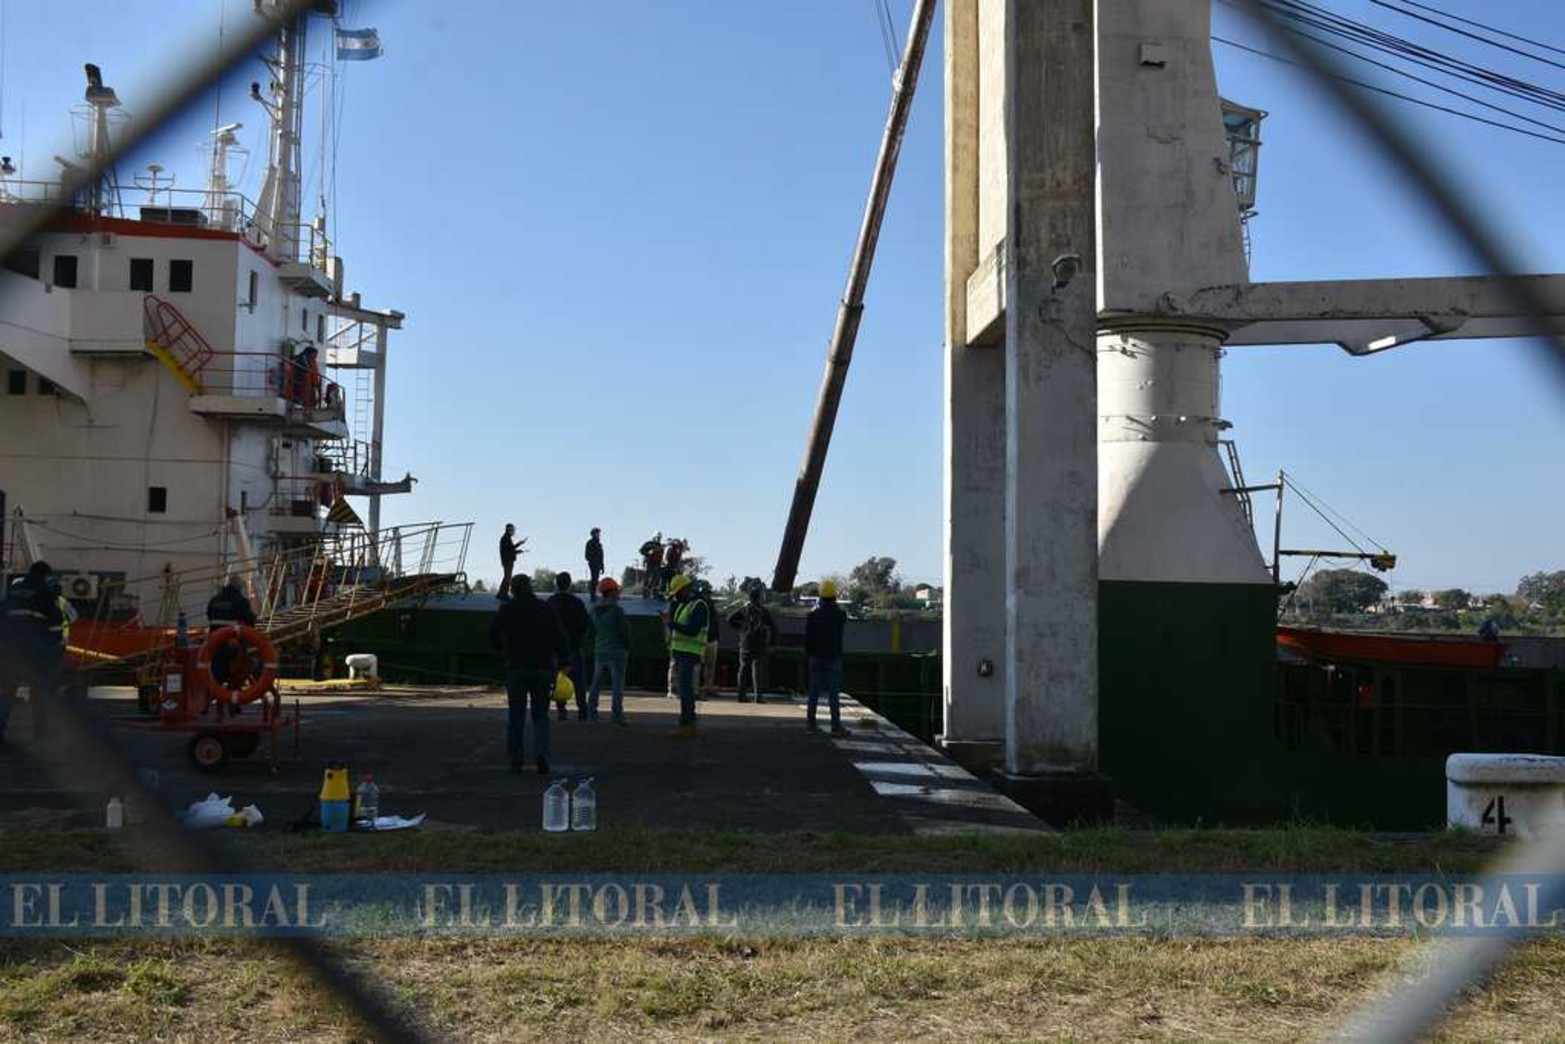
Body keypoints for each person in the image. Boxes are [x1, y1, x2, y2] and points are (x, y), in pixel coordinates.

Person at [489, 575, 570, 774]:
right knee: (541, 715)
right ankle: (541, 754)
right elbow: (560, 637)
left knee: (516, 715)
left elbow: (492, 631)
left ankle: (516, 760)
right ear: (530, 587)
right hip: (542, 667)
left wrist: (502, 648)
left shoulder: (507, 609)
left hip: (516, 666)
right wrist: (564, 661)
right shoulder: (546, 608)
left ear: (513, 589)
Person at [0, 562, 64, 745]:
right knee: (39, 694)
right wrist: (51, 648)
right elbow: (55, 626)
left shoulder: (14, 591)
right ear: (45, 575)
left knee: (7, 694)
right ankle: (41, 735)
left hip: (9, 654)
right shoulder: (45, 593)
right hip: (35, 654)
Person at [805, 578, 849, 736]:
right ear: (835, 595)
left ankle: (811, 725)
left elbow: (808, 639)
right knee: (833, 694)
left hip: (816, 657)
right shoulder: (841, 615)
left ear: (821, 595)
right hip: (834, 657)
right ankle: (836, 726)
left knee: (813, 692)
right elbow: (841, 617)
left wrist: (810, 654)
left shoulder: (813, 616)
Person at [585, 578, 633, 725]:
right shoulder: (617, 611)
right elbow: (624, 633)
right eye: (616, 590)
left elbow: (590, 633)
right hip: (617, 653)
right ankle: (617, 717)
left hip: (600, 652)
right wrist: (628, 647)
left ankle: (591, 716)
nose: (618, 593)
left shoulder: (594, 611)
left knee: (596, 685)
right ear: (611, 592)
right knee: (617, 686)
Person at [664, 573, 707, 732]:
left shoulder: (699, 606)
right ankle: (689, 719)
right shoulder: (683, 605)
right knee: (685, 688)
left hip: (690, 653)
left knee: (685, 688)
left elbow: (693, 630)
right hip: (682, 653)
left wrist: (671, 624)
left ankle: (686, 721)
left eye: (676, 593)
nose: (675, 596)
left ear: (684, 590)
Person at [547, 572, 591, 721]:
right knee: (579, 681)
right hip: (574, 646)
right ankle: (582, 711)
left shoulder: (550, 602)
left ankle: (561, 710)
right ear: (569, 584)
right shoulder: (577, 603)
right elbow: (585, 624)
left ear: (556, 584)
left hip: (556, 650)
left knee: (559, 680)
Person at [728, 580, 776, 704]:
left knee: (743, 668)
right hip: (760, 644)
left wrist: (741, 629)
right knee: (758, 670)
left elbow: (729, 619)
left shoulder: (745, 609)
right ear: (760, 596)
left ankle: (741, 695)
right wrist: (772, 643)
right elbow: (773, 627)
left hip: (745, 643)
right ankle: (758, 696)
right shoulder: (764, 611)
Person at [696, 581, 721, 697]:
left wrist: (716, 638)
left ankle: (708, 687)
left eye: (709, 593)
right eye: (705, 593)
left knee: (710, 666)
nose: (707, 595)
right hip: (701, 640)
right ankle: (697, 688)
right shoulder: (698, 605)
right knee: (698, 666)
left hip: (712, 640)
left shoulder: (711, 606)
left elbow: (716, 623)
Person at [499, 524, 526, 597]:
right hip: (507, 560)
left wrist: (519, 545)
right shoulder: (505, 538)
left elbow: (510, 548)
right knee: (507, 577)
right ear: (509, 530)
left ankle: (502, 593)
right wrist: (517, 551)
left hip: (507, 560)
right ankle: (503, 594)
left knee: (507, 577)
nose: (514, 531)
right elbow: (509, 550)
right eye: (512, 530)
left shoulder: (506, 538)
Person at [639, 533, 664, 599]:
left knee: (656, 579)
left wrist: (662, 562)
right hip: (649, 563)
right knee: (647, 578)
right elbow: (641, 550)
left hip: (657, 564)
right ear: (654, 537)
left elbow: (662, 555)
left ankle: (654, 593)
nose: (658, 539)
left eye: (659, 538)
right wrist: (648, 552)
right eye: (657, 537)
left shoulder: (660, 546)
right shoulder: (648, 544)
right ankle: (645, 594)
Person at [585, 528, 605, 599]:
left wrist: (602, 566)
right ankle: (592, 594)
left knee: (596, 579)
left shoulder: (599, 544)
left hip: (598, 564)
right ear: (593, 534)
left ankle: (594, 593)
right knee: (594, 579)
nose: (599, 534)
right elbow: (587, 555)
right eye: (597, 533)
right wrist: (593, 560)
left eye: (599, 533)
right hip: (593, 564)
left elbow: (601, 556)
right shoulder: (590, 543)